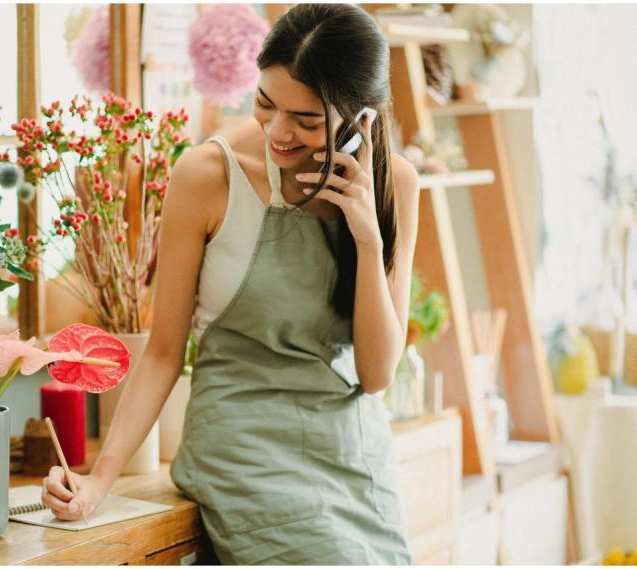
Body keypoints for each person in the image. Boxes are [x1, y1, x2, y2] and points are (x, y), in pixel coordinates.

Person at [42, 3, 420, 564]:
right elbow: (163, 353)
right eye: (265, 103)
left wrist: (368, 239)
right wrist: (100, 479)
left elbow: (377, 373)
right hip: (242, 453)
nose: (279, 131)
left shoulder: (395, 184)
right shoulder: (206, 176)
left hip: (353, 459)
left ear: (359, 119)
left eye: (307, 120)